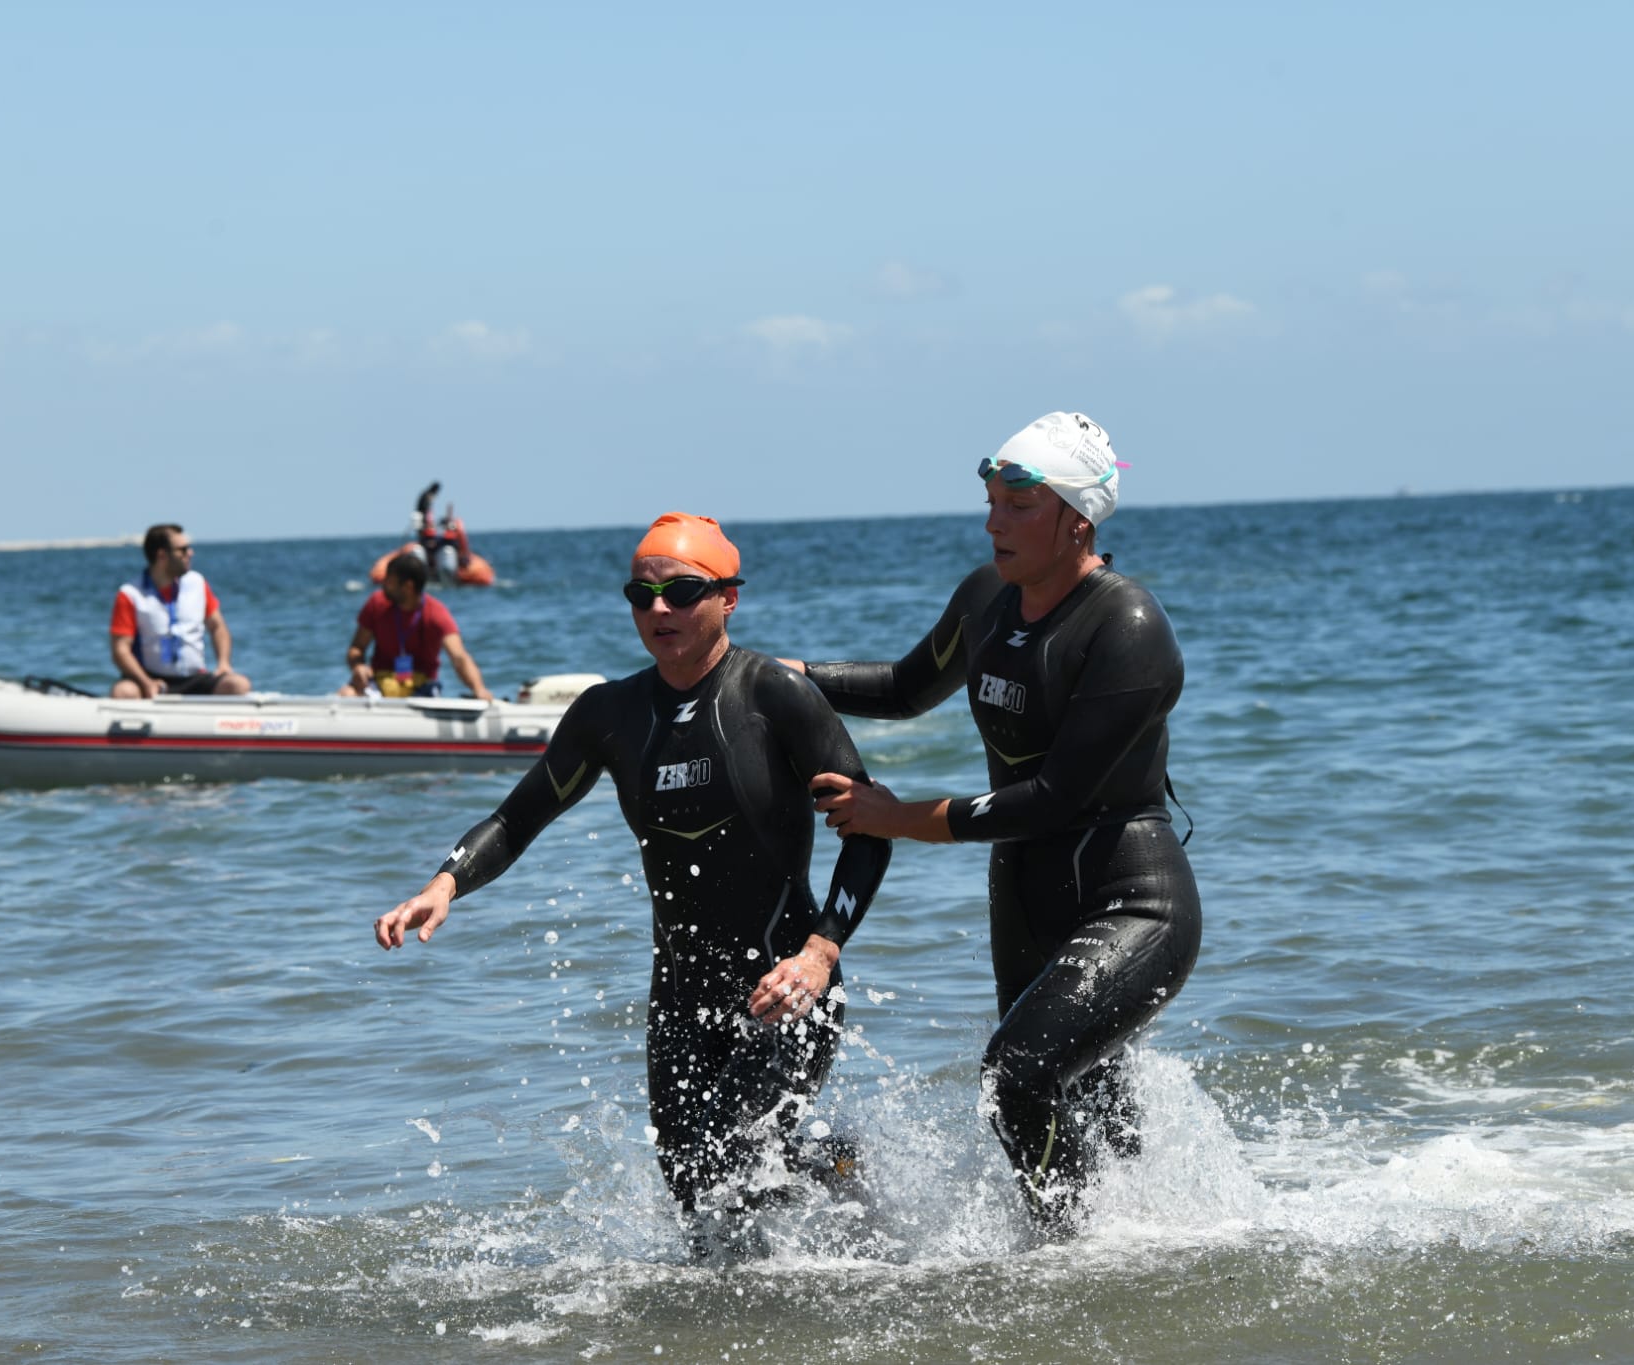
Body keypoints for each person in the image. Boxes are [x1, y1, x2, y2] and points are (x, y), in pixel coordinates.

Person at [377, 513, 892, 1236]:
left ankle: (819, 1240)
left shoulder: (773, 696)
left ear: (728, 598)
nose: (659, 610)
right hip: (681, 1001)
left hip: (789, 987)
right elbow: (517, 817)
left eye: (682, 592)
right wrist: (444, 883)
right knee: (696, 1201)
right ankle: (827, 1182)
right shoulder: (609, 714)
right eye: (641, 595)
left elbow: (870, 834)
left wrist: (820, 950)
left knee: (734, 1156)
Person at [792, 411, 1201, 1232]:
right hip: (1022, 892)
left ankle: (1074, 1256)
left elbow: (1054, 796)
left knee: (1014, 1075)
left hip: (1130, 900)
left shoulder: (1127, 627)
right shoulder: (988, 599)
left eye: (1018, 505)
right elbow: (907, 686)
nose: (992, 522)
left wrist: (895, 817)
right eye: (990, 500)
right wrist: (787, 674)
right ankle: (1142, 1248)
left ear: (1076, 521)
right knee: (1078, 1098)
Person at [109, 523, 252, 698]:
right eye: (182, 550)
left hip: (194, 677)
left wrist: (223, 663)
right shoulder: (130, 594)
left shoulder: (197, 583)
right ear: (162, 555)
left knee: (238, 685)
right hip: (150, 677)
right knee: (123, 692)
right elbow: (120, 649)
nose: (190, 553)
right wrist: (146, 682)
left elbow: (217, 626)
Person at [339, 552, 492, 700]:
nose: (383, 584)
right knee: (346, 694)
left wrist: (478, 688)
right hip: (379, 682)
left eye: (389, 581)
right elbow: (357, 648)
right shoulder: (376, 603)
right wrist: (358, 666)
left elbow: (459, 656)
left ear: (408, 586)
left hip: (421, 686)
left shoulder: (436, 613)